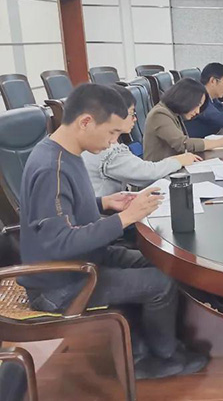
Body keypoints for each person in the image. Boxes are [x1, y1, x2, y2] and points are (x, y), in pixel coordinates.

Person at [18, 83, 208, 379]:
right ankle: (160, 357)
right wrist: (125, 218)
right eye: (112, 133)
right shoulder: (51, 168)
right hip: (59, 283)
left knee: (164, 262)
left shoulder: (66, 152)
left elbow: (63, 214)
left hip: (85, 260)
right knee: (160, 283)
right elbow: (59, 241)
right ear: (86, 122)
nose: (112, 142)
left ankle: (150, 346)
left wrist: (104, 202)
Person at [83, 85, 201, 196]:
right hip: (104, 209)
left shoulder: (97, 139)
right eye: (132, 113)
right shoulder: (104, 147)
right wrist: (178, 161)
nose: (135, 119)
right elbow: (147, 174)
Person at [143, 78, 223, 162]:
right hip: (162, 172)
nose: (198, 111)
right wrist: (220, 142)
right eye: (197, 105)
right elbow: (183, 144)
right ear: (186, 99)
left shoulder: (174, 113)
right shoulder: (160, 114)